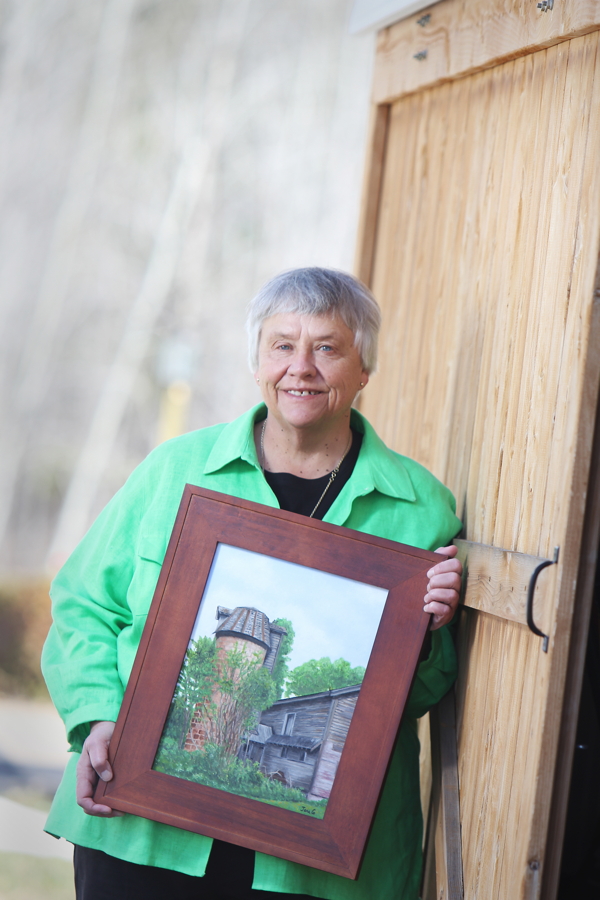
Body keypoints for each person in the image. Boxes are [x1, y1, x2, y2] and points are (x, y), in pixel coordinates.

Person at [42, 267, 463, 900]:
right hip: (144, 826)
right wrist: (98, 718)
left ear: (363, 371)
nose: (303, 367)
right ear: (257, 361)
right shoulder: (174, 471)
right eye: (283, 345)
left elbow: (417, 693)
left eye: (328, 347)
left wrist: (429, 633)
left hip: (311, 860)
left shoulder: (421, 508)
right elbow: (83, 604)